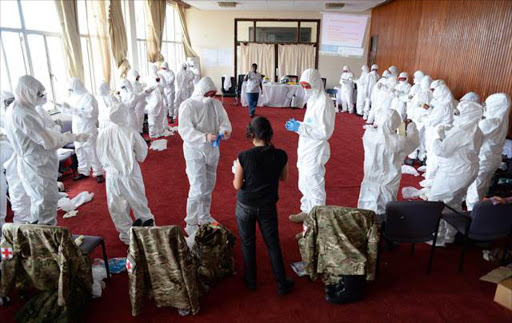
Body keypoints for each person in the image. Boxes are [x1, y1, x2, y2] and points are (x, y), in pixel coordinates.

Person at [4, 75, 89, 225]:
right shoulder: (24, 114)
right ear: (26, 92)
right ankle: (47, 242)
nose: (41, 97)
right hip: (38, 165)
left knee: (39, 202)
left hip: (34, 162)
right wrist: (72, 137)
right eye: (38, 94)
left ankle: (41, 235)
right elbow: (49, 142)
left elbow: (44, 134)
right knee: (46, 204)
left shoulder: (18, 109)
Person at [233, 116, 294, 295]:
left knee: (248, 242)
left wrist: (235, 172)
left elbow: (237, 185)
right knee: (273, 243)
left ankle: (251, 280)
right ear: (269, 134)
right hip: (267, 205)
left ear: (251, 134)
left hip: (246, 205)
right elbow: (284, 178)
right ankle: (281, 283)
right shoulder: (281, 154)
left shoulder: (244, 156)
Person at [178, 77, 232, 236]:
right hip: (194, 150)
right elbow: (185, 130)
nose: (211, 98)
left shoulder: (216, 104)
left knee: (209, 185)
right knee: (197, 187)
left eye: (213, 94)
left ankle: (204, 216)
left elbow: (224, 121)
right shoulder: (188, 105)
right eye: (208, 94)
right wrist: (204, 137)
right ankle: (191, 222)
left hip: (212, 149)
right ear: (200, 92)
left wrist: (224, 131)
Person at [427, 97, 484, 246]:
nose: (456, 115)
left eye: (460, 113)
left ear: (468, 115)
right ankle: (450, 235)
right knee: (454, 201)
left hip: (455, 171)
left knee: (435, 200)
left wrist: (438, 138)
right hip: (468, 170)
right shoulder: (477, 130)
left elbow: (442, 151)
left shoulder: (460, 132)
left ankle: (437, 237)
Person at [97, 102, 155, 245]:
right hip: (130, 174)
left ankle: (127, 236)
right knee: (139, 203)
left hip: (112, 176)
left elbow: (99, 155)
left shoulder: (103, 133)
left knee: (117, 207)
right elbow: (142, 154)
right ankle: (148, 234)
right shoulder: (130, 132)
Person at [285, 69, 335, 229]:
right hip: (306, 148)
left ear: (315, 83)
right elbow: (312, 124)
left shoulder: (325, 102)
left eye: (307, 86)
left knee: (314, 186)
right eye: (303, 86)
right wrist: (299, 124)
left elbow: (324, 132)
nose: (305, 89)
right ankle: (306, 211)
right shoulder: (313, 99)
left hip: (316, 150)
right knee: (304, 183)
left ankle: (315, 227)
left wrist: (300, 129)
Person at [358, 109, 419, 215]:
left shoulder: (369, 134)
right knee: (385, 208)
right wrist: (409, 126)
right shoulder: (398, 142)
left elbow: (383, 130)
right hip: (388, 182)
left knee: (366, 203)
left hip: (370, 179)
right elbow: (413, 142)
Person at [466, 93, 511, 210]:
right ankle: (479, 210)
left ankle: (473, 215)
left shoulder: (490, 122)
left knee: (475, 189)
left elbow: (472, 137)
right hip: (493, 159)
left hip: (484, 159)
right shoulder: (502, 120)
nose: (484, 107)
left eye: (486, 104)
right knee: (483, 186)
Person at [61, 77, 104, 183]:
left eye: (72, 89)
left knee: (92, 150)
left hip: (88, 128)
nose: (71, 92)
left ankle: (98, 172)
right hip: (77, 128)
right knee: (79, 150)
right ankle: (83, 171)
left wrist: (74, 110)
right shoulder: (72, 97)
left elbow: (90, 114)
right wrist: (64, 108)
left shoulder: (89, 97)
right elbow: (70, 113)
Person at [421, 84, 455, 188]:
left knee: (434, 155)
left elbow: (433, 120)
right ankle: (430, 175)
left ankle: (430, 180)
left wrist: (423, 118)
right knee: (433, 154)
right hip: (440, 130)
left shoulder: (443, 106)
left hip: (437, 131)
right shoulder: (447, 103)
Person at [407, 75, 433, 162]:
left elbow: (412, 106)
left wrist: (410, 117)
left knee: (415, 136)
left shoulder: (419, 94)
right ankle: (422, 156)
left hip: (418, 119)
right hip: (429, 120)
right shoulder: (434, 94)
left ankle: (412, 156)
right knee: (424, 139)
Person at [146, 64, 168, 138]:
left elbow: (164, 85)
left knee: (160, 115)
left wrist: (159, 85)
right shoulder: (148, 78)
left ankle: (160, 131)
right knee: (153, 116)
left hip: (160, 99)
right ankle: (152, 133)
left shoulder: (160, 76)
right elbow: (147, 89)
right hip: (153, 99)